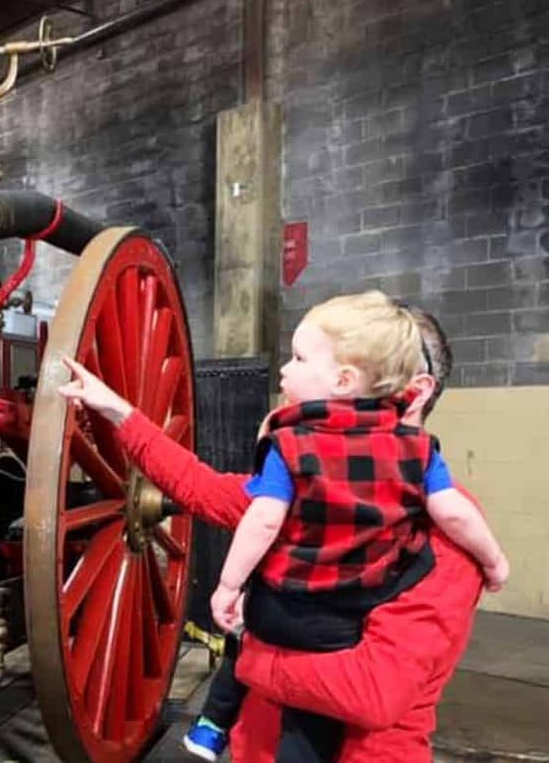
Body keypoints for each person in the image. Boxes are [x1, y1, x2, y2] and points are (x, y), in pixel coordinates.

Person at [59, 294, 507, 761]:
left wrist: (248, 653)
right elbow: (199, 486)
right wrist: (117, 410)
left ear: (412, 393)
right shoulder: (305, 483)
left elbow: (372, 692)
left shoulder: (450, 532)